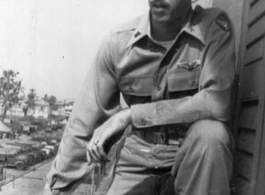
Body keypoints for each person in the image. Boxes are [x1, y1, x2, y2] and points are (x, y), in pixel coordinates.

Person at [44, 0, 236, 194]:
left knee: (212, 135)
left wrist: (129, 115)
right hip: (135, 161)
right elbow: (83, 124)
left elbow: (216, 103)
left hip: (191, 160)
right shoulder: (118, 43)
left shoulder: (213, 28)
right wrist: (54, 190)